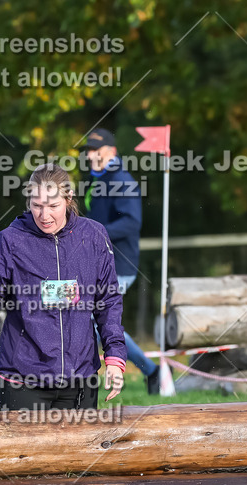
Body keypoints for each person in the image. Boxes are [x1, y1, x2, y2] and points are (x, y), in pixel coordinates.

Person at [0, 163, 126, 410]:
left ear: (68, 200)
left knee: (79, 449)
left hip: (79, 376)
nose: (44, 216)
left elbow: (109, 302)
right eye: (37, 206)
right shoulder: (11, 240)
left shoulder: (94, 236)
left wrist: (115, 356)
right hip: (22, 377)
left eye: (53, 206)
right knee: (24, 451)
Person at [83, 127, 161, 394]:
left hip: (121, 265)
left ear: (112, 152)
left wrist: (95, 234)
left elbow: (131, 222)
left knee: (100, 323)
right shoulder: (98, 178)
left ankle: (153, 370)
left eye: (97, 150)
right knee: (94, 322)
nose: (92, 155)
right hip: (100, 263)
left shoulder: (122, 179)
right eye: (89, 151)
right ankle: (152, 370)